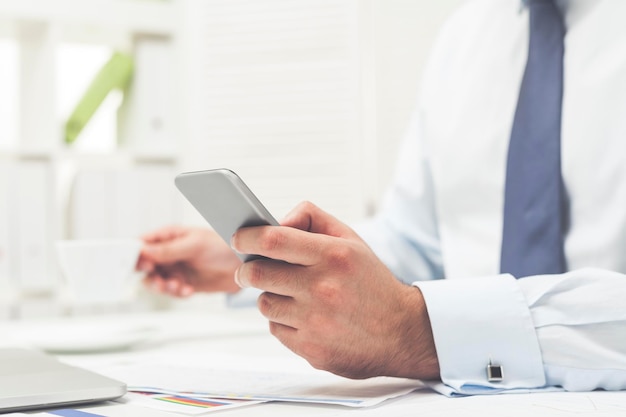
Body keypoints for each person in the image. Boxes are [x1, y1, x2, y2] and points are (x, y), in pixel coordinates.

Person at [137, 0, 626, 396]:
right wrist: (262, 261)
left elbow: (413, 312)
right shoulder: (466, 37)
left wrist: (421, 332)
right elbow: (418, 246)